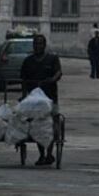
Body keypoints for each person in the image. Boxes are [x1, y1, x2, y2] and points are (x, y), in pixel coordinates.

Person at [20, 34, 62, 166]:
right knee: (38, 126)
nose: (38, 46)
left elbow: (59, 72)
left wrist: (52, 79)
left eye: (40, 44)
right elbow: (23, 80)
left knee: (50, 127)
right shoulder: (28, 61)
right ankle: (42, 154)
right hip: (34, 101)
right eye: (36, 44)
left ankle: (49, 153)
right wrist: (24, 95)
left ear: (44, 45)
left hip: (50, 98)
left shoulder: (52, 59)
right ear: (33, 46)